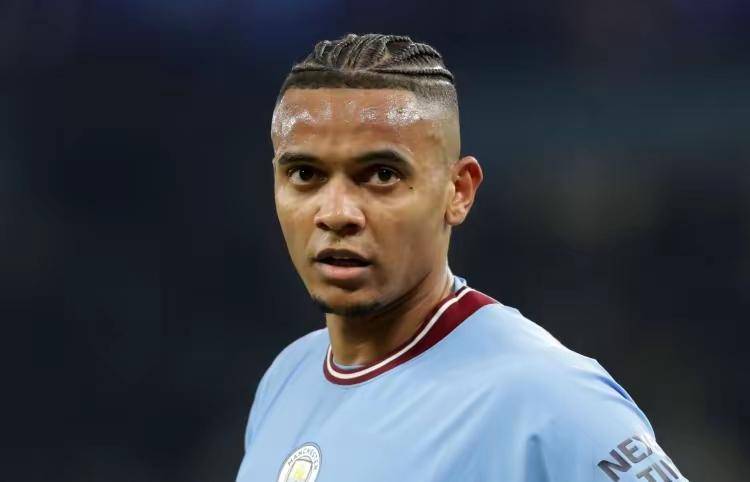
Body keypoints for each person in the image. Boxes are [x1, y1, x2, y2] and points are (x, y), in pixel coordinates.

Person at [235, 33, 688, 482]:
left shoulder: (550, 398)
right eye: (305, 174)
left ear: (459, 191)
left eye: (382, 175)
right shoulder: (287, 379)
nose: (336, 213)